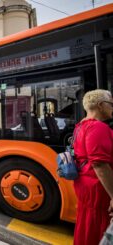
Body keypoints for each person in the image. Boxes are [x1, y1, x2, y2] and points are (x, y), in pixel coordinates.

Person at [73, 89, 113, 245]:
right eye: (111, 104)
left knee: (88, 223)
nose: (112, 108)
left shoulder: (80, 126)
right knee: (97, 226)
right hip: (97, 187)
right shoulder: (97, 127)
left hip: (86, 186)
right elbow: (100, 165)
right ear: (101, 105)